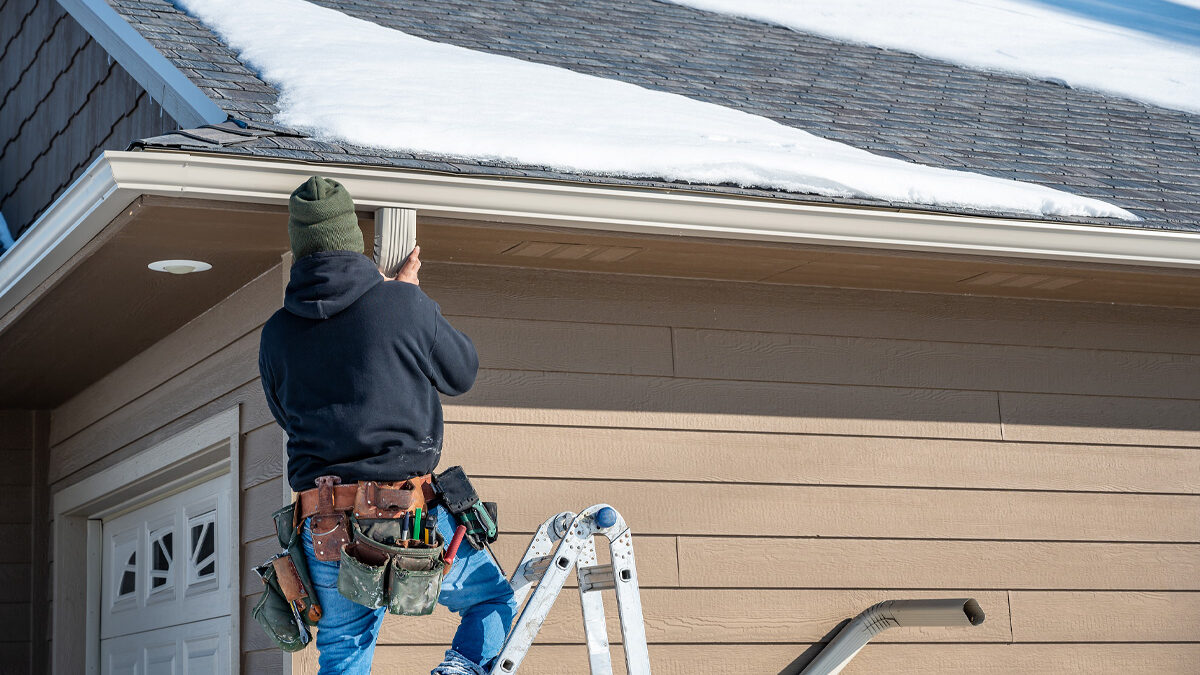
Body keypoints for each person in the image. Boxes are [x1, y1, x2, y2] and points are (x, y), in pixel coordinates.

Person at [258, 175, 516, 675]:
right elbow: (461, 373)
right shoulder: (401, 304)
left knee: (343, 653)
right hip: (408, 513)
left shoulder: (277, 334)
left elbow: (287, 416)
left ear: (300, 251)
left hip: (325, 522)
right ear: (352, 243)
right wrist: (409, 303)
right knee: (491, 603)